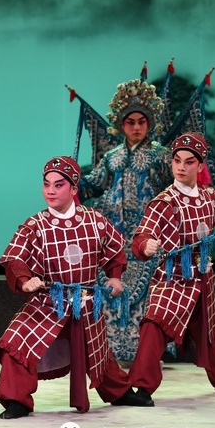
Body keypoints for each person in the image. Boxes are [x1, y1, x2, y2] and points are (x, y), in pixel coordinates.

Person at [0, 156, 153, 419]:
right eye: (46, 184)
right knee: (17, 341)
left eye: (58, 185)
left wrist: (114, 277)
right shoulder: (35, 225)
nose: (50, 191)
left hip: (86, 301)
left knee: (98, 351)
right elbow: (15, 258)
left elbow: (114, 251)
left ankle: (119, 392)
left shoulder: (95, 221)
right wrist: (25, 279)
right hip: (49, 301)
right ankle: (16, 400)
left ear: (74, 189)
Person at [79, 78, 171, 365]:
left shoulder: (160, 155)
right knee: (113, 289)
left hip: (147, 237)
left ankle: (148, 353)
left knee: (147, 294)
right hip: (115, 236)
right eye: (130, 122)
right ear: (121, 125)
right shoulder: (112, 157)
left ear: (149, 123)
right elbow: (94, 185)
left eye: (141, 122)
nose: (136, 127)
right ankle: (110, 351)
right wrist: (73, 183)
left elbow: (174, 189)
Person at [127, 132, 215, 404]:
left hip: (203, 277)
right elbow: (142, 234)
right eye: (177, 160)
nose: (181, 167)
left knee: (209, 335)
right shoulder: (164, 202)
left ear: (200, 166)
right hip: (173, 277)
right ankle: (142, 388)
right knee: (154, 324)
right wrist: (145, 245)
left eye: (188, 162)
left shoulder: (212, 198)